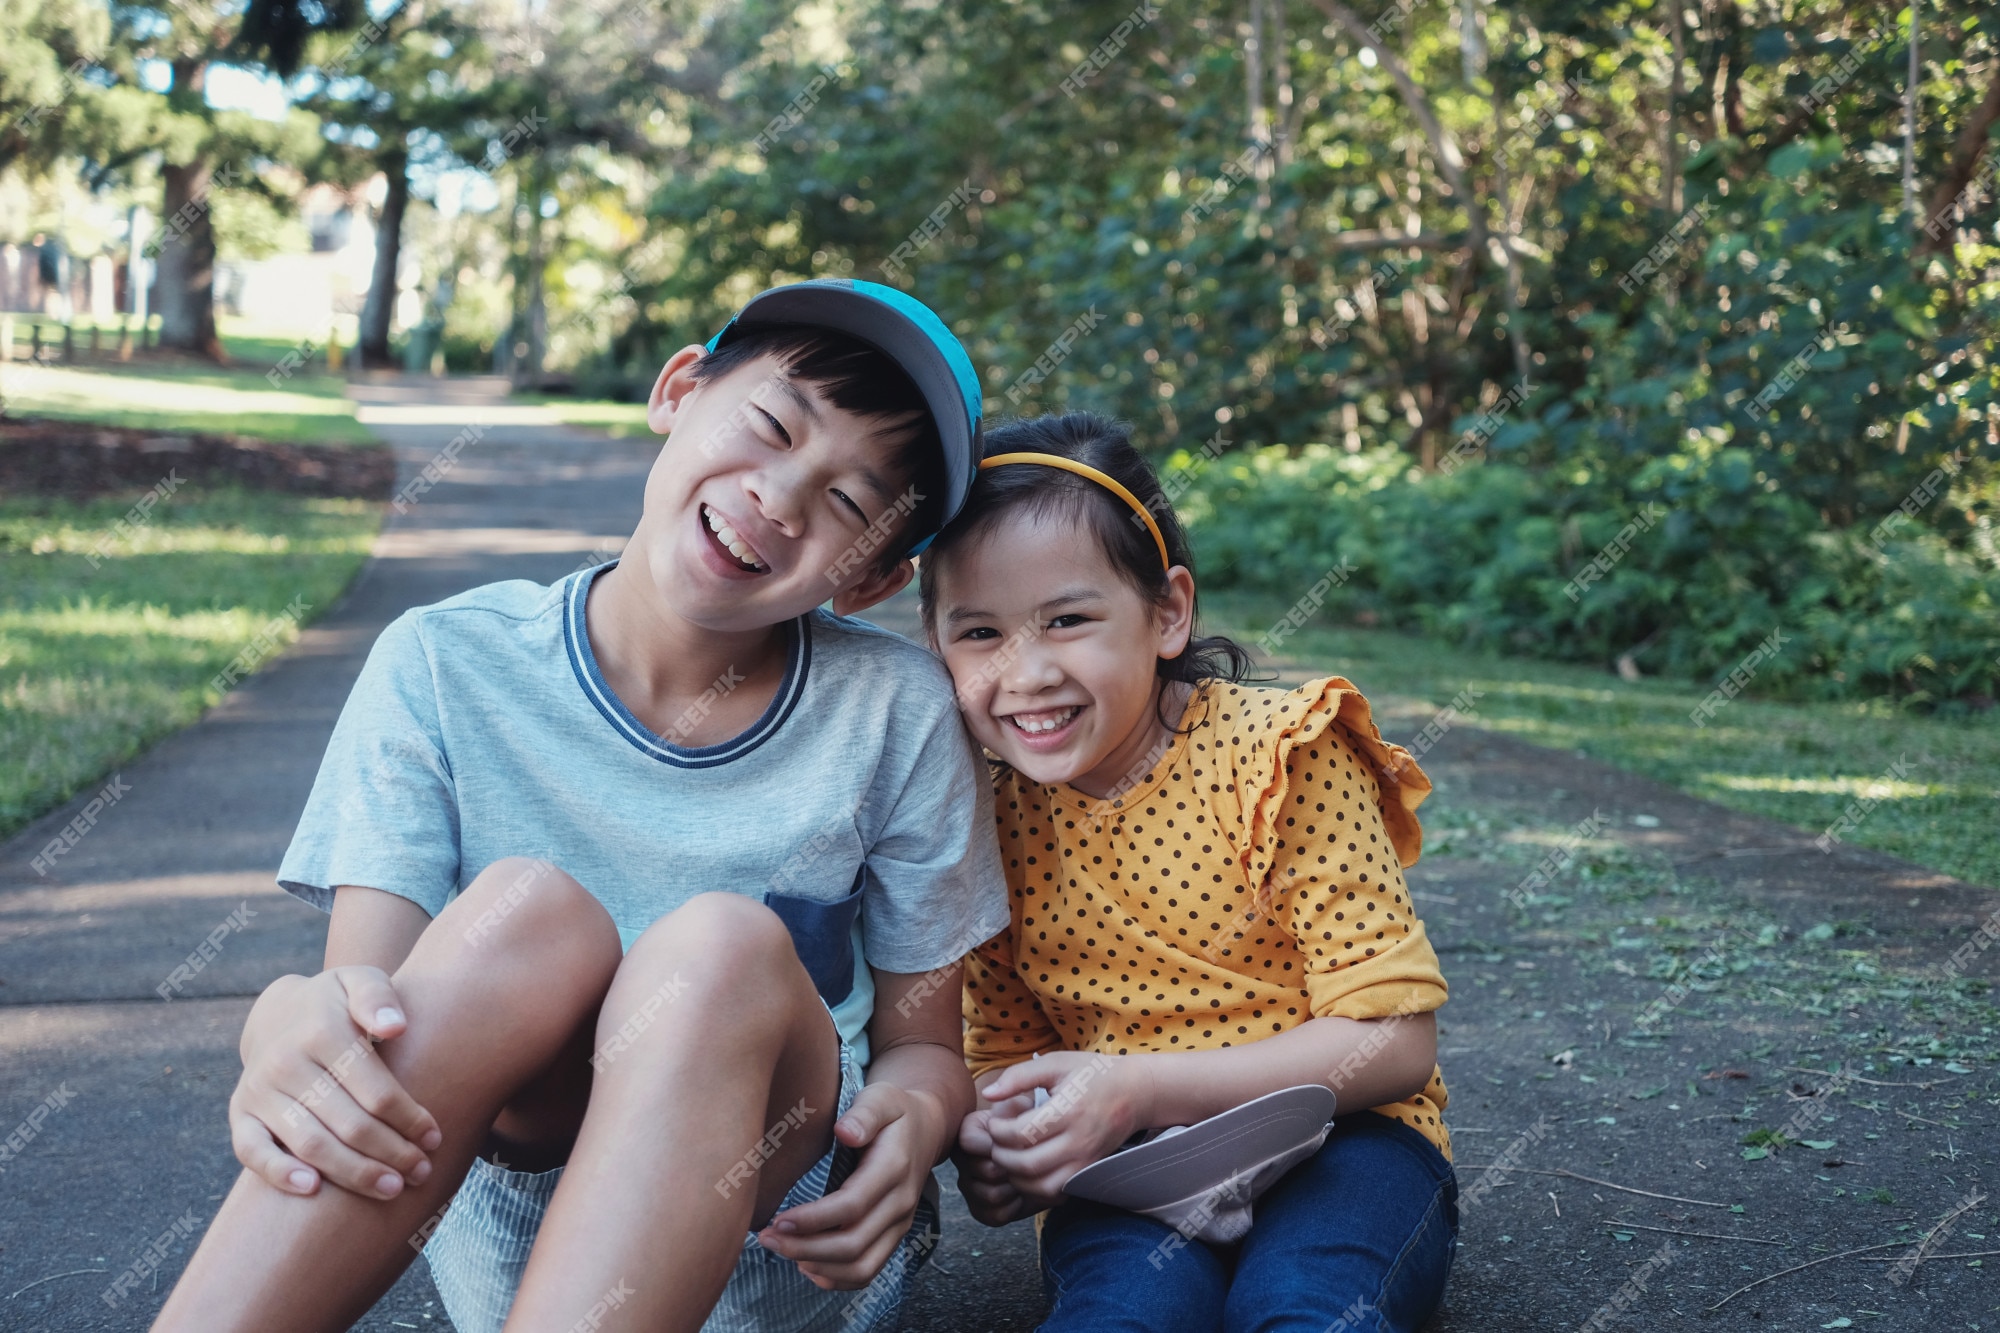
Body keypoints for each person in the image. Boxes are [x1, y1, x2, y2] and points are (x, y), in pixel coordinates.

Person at [154, 280, 1010, 1333]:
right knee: (526, 911)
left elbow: (925, 1047)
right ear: (678, 389)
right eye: (770, 426)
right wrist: (287, 1027)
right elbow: (365, 1009)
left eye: (845, 503)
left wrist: (917, 1118)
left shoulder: (891, 711)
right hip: (508, 1220)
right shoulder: (442, 662)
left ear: (871, 576)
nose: (781, 499)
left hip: (779, 1238)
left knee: (718, 948)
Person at [921, 412, 1458, 1332]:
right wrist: (1005, 1148)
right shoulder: (979, 821)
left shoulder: (1279, 755)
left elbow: (1395, 1045)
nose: (1028, 671)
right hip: (1130, 1170)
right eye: (979, 632)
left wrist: (1141, 1085)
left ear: (1168, 612)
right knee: (1120, 1317)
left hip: (1347, 1138)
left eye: (1069, 619)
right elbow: (1007, 1059)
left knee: (1307, 1302)